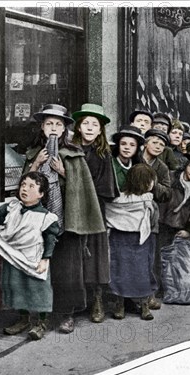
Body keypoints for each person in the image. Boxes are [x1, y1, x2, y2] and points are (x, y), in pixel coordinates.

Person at [23, 103, 106, 333]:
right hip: (40, 221)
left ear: (65, 130)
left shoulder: (74, 155)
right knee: (40, 268)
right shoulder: (32, 153)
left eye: (58, 124)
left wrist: (63, 172)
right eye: (49, 123)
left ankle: (66, 315)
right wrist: (37, 164)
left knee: (67, 269)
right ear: (42, 127)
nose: (53, 128)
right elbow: (25, 185)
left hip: (67, 221)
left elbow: (84, 189)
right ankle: (38, 317)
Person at [0, 172, 60, 340]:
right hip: (14, 257)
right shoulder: (12, 208)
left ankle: (41, 322)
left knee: (38, 290)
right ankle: (23, 319)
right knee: (17, 288)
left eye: (31, 186)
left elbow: (50, 240)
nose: (25, 188)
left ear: (41, 194)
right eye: (23, 184)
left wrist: (46, 259)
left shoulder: (46, 217)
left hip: (34, 259)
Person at [71, 103, 118, 324]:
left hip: (94, 209)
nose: (90, 128)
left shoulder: (103, 154)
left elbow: (106, 187)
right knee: (74, 254)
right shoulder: (69, 148)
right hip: (71, 208)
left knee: (95, 255)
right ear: (78, 127)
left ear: (100, 130)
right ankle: (75, 301)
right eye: (86, 123)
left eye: (95, 124)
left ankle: (97, 299)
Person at [105, 163, 159, 321]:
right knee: (137, 271)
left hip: (123, 238)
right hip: (135, 239)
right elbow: (153, 218)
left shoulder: (118, 199)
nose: (152, 185)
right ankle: (140, 306)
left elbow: (109, 211)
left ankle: (124, 306)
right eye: (150, 181)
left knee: (122, 271)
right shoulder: (147, 199)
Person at [157, 151, 190, 300]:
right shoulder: (172, 176)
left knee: (177, 259)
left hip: (181, 227)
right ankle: (158, 288)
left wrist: (188, 230)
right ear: (186, 165)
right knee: (159, 256)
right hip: (163, 222)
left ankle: (172, 289)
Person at [111, 125, 145, 192]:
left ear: (137, 148)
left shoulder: (138, 165)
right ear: (118, 145)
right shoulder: (110, 164)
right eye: (123, 144)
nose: (127, 147)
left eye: (132, 145)